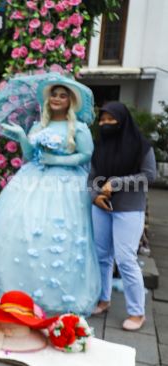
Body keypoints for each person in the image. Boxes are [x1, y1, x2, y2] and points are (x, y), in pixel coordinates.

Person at [0, 82, 101, 316]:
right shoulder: (38, 125)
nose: (57, 99)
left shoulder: (79, 127)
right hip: (31, 179)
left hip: (65, 185)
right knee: (23, 227)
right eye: (54, 95)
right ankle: (18, 286)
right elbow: (29, 155)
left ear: (70, 101)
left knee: (56, 231)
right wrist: (23, 136)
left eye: (63, 96)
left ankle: (54, 292)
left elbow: (86, 154)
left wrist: (58, 161)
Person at [89, 102, 156, 331]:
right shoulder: (100, 146)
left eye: (111, 119)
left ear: (123, 120)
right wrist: (95, 196)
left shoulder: (141, 146)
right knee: (102, 257)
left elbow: (149, 176)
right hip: (101, 207)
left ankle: (137, 313)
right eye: (102, 120)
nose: (105, 124)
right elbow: (91, 177)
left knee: (126, 259)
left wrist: (116, 183)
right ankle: (103, 299)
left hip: (128, 208)